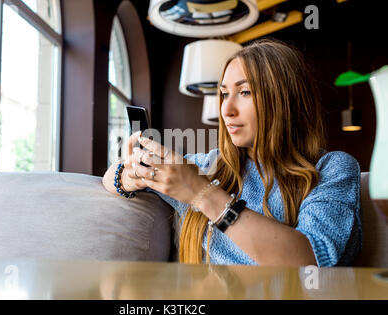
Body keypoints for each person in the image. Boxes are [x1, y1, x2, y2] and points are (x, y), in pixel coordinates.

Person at [102, 38, 362, 267]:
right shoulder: (210, 165)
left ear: (285, 99)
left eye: (244, 92)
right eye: (224, 94)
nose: (226, 110)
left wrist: (201, 193)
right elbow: (110, 176)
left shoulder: (333, 169)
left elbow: (312, 262)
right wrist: (130, 174)